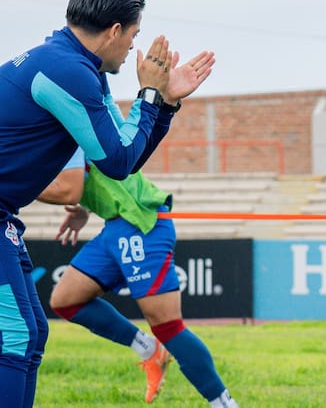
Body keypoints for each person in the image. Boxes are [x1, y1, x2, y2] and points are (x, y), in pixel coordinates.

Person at [0, 0, 214, 407]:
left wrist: (164, 101)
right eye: (134, 36)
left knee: (32, 332)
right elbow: (116, 162)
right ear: (115, 30)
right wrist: (150, 94)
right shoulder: (67, 71)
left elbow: (124, 156)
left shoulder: (73, 66)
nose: (134, 49)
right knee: (17, 334)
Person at [42, 149, 238, 406]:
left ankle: (224, 403)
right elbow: (93, 174)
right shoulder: (54, 124)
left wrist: (13, 187)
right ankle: (148, 348)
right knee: (66, 300)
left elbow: (70, 188)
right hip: (116, 224)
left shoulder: (59, 119)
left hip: (139, 221)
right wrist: (85, 210)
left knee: (166, 325)